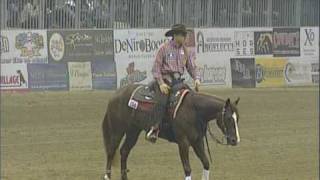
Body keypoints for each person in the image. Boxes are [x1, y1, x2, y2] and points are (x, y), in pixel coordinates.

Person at [146, 24, 201, 143]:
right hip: (165, 80)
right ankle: (154, 128)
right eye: (183, 35)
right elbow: (156, 69)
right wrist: (161, 83)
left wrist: (196, 78)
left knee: (190, 98)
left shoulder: (186, 50)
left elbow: (191, 67)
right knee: (162, 99)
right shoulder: (164, 48)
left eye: (185, 35)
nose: (185, 37)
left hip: (178, 82)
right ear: (176, 35)